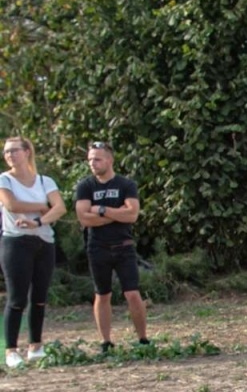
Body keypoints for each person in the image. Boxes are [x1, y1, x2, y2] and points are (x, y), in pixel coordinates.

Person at [73, 141, 149, 352]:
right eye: (90, 159)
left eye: (97, 159)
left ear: (109, 160)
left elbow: (132, 214)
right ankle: (106, 341)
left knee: (132, 293)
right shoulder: (85, 186)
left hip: (124, 246)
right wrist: (116, 214)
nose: (92, 163)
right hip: (97, 247)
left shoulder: (126, 185)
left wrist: (101, 210)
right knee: (102, 294)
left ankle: (143, 339)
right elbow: (84, 218)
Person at [1, 137, 67, 368]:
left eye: (14, 150)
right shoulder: (4, 179)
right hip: (16, 242)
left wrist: (39, 221)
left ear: (27, 152)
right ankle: (11, 350)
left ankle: (35, 346)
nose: (9, 155)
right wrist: (40, 207)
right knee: (17, 298)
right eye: (6, 152)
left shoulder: (44, 181)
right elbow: (12, 205)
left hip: (44, 242)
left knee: (39, 297)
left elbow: (59, 207)